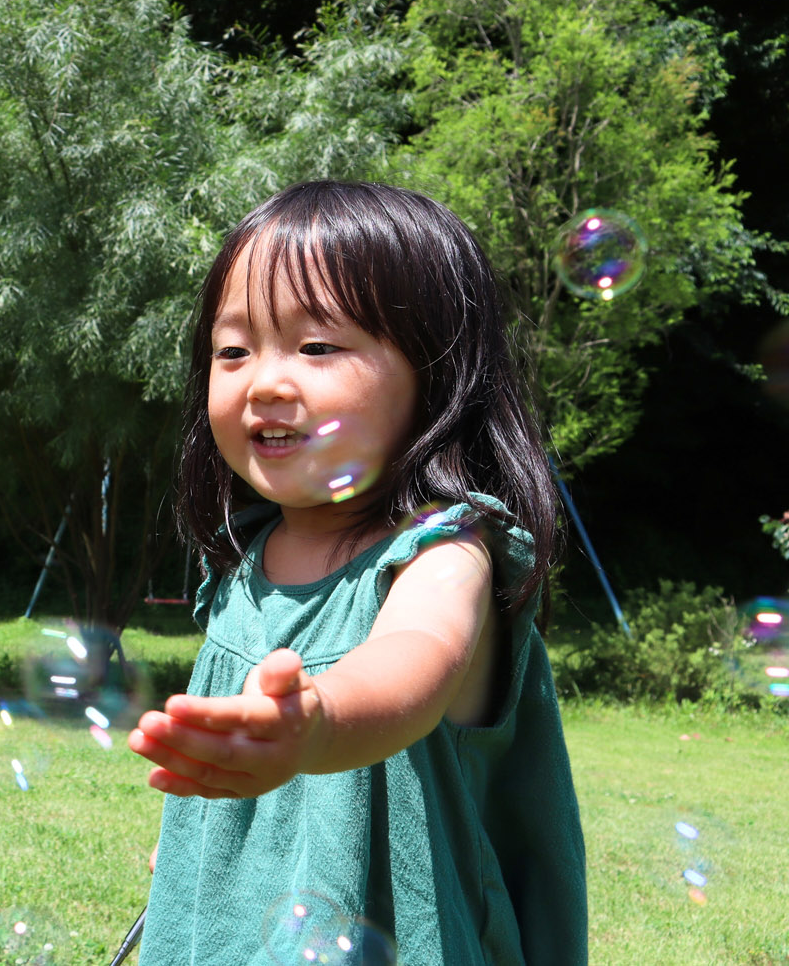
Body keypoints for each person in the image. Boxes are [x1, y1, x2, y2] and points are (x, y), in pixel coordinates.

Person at [126, 180, 587, 964]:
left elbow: (412, 662)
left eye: (316, 346)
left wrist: (318, 718)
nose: (264, 380)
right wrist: (215, 851)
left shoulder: (447, 551)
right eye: (233, 349)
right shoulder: (245, 558)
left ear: (436, 371)